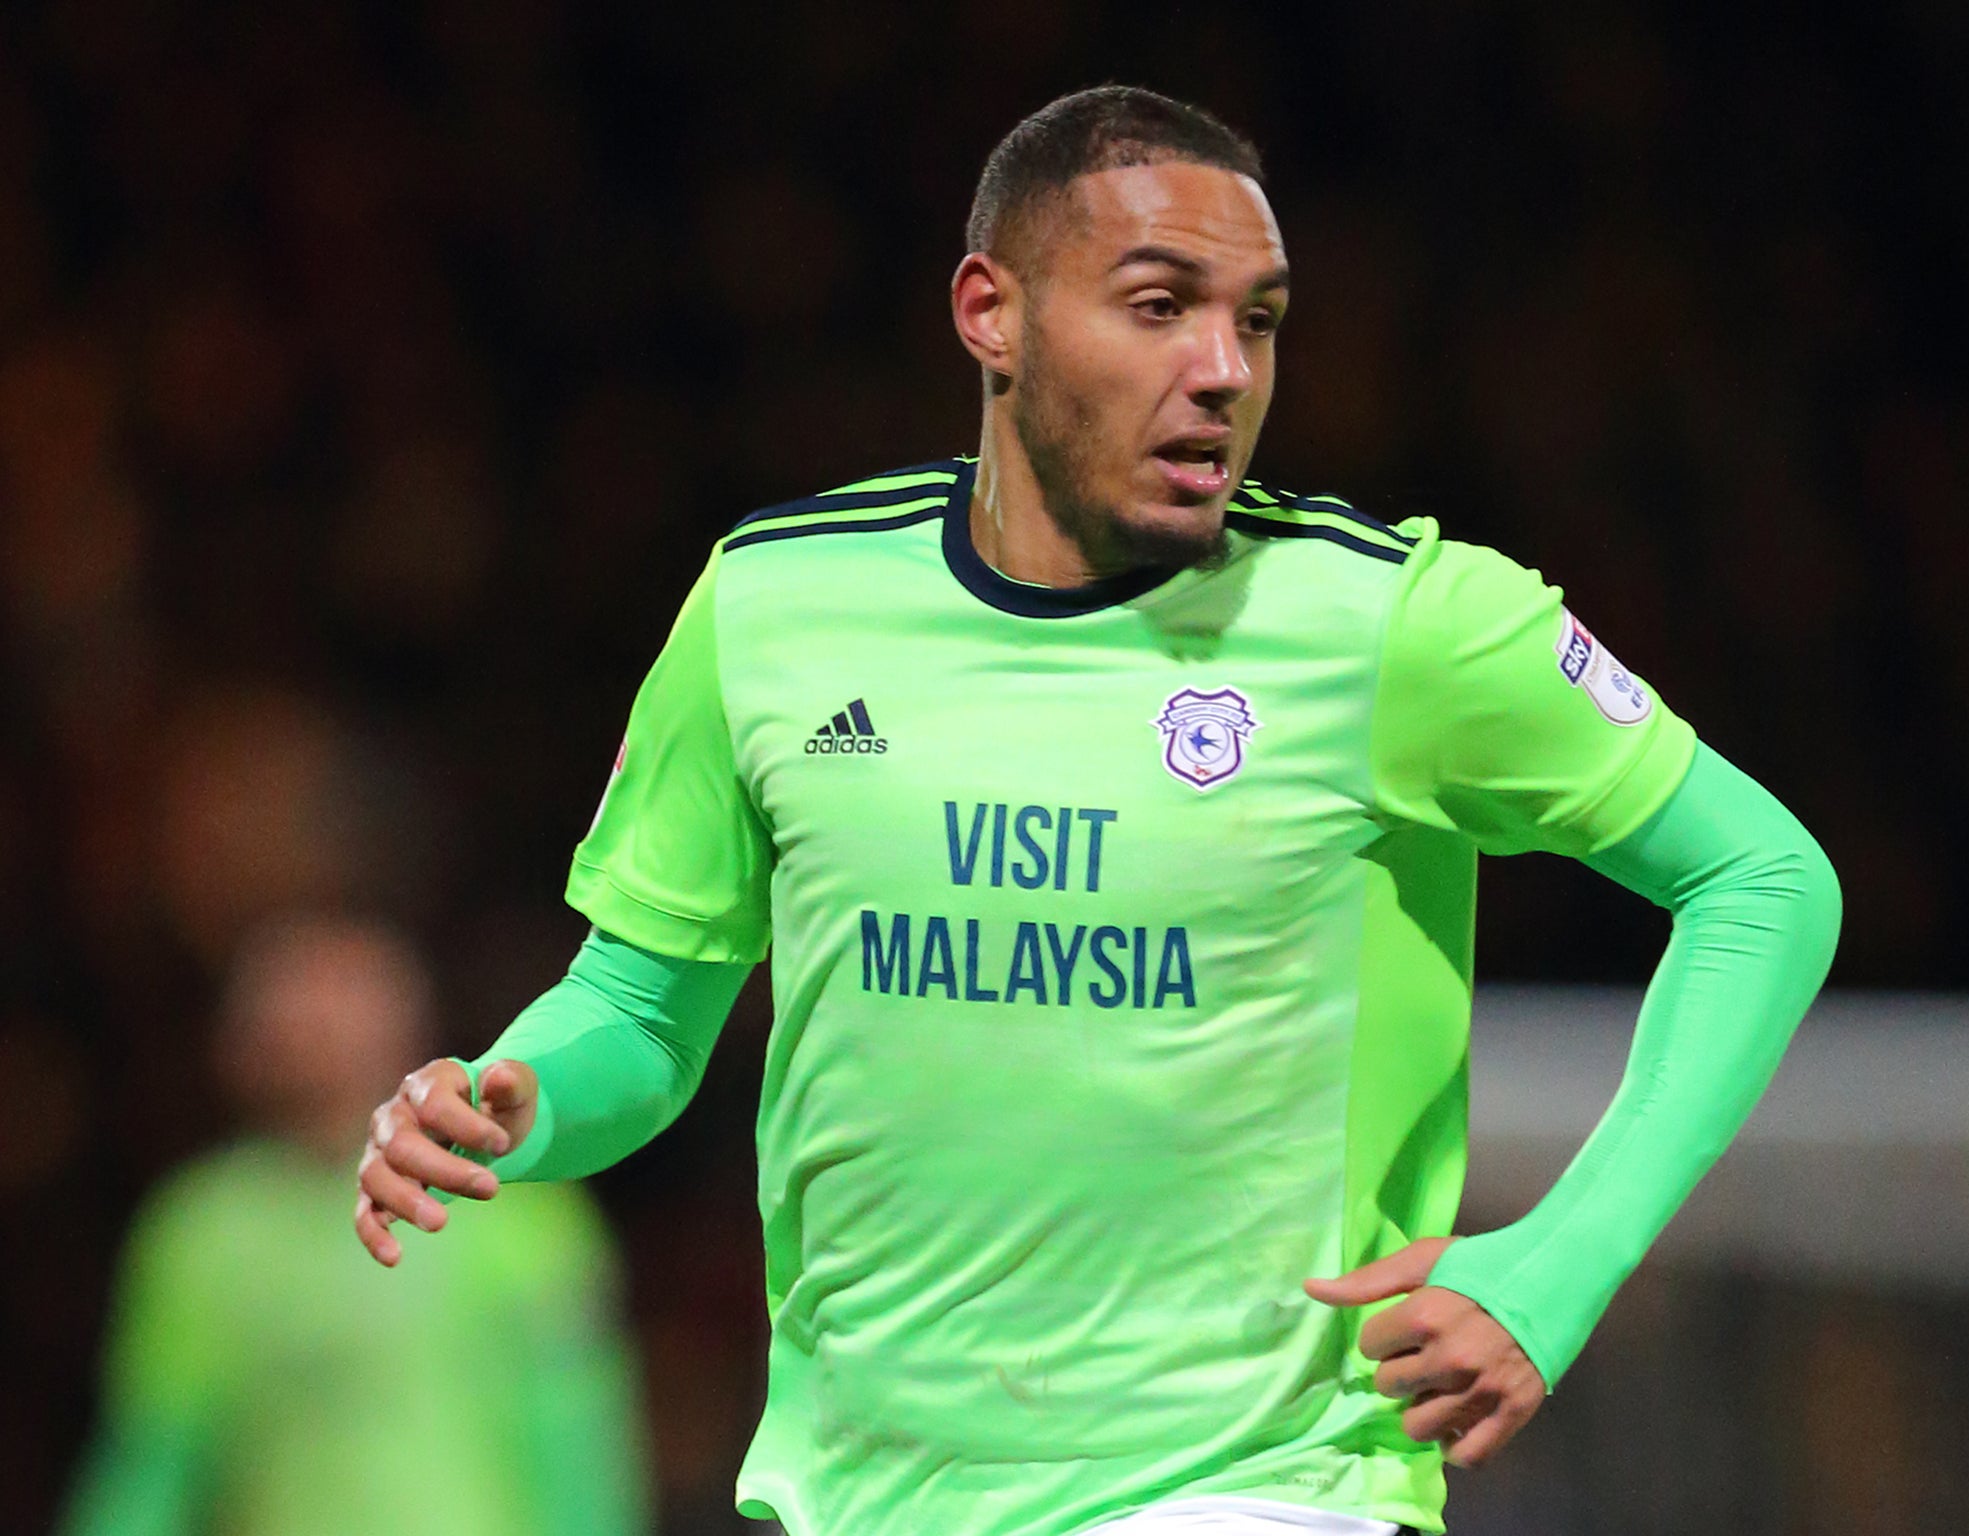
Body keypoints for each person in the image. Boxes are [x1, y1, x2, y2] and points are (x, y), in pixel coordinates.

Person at [353, 86, 1840, 1536]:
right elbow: (640, 1008)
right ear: (990, 312)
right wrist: (513, 1100)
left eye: (1256, 319)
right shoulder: (774, 606)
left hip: (1260, 1479)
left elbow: (1767, 880)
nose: (1226, 369)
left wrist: (1564, 1264)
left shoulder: (1398, 627)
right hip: (861, 1490)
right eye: (1157, 306)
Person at [66, 914, 652, 1536]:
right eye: (285, 1004)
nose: (307, 1028)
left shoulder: (511, 1202)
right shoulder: (202, 1228)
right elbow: (153, 1461)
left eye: (338, 1004)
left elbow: (578, 1452)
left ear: (407, 1025)